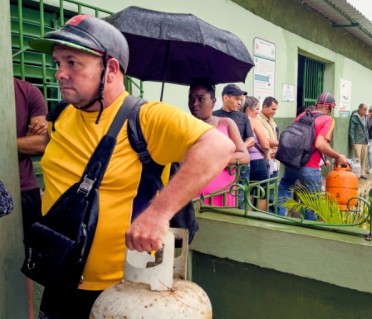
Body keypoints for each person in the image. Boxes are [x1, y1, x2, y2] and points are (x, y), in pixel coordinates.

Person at [28, 15, 234, 318]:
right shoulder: (60, 115)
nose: (60, 73)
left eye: (73, 63)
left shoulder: (146, 117)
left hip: (120, 292)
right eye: (58, 62)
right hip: (59, 276)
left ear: (110, 69)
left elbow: (219, 147)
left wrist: (158, 214)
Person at [277, 92, 347, 220]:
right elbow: (320, 144)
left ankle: (278, 218)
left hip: (292, 163)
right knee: (311, 202)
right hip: (310, 167)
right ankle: (309, 228)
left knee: (285, 187)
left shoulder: (302, 115)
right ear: (330, 107)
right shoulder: (328, 120)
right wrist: (337, 156)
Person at [14, 77, 48, 319]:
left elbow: (40, 143)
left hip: (23, 190)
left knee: (23, 260)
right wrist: (20, 140)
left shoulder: (28, 92)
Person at [188, 81, 249, 206]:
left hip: (223, 195)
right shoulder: (185, 126)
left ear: (213, 102)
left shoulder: (226, 124)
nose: (194, 104)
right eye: (191, 99)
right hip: (193, 196)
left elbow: (244, 156)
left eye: (201, 99)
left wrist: (211, 159)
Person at [213, 84, 254, 208]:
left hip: (241, 163)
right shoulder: (214, 116)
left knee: (241, 194)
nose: (239, 102)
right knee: (222, 193)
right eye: (236, 99)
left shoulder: (243, 116)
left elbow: (251, 140)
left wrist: (237, 150)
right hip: (221, 164)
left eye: (240, 100)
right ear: (226, 97)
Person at [243, 96, 270, 211]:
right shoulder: (253, 122)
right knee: (261, 193)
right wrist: (267, 154)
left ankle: (247, 218)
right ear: (249, 108)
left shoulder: (236, 121)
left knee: (247, 192)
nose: (258, 112)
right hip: (257, 162)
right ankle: (260, 219)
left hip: (243, 161)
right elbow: (265, 144)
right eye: (256, 109)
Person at [349, 103, 369, 179]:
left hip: (364, 140)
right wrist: (352, 141)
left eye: (366, 109)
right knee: (358, 157)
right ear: (360, 109)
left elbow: (366, 128)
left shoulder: (366, 117)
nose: (365, 111)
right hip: (357, 140)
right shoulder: (354, 117)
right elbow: (351, 129)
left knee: (363, 157)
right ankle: (357, 173)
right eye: (364, 109)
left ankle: (363, 173)